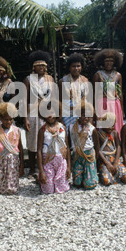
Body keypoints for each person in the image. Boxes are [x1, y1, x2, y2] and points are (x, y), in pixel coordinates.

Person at [23, 50, 55, 178]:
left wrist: (53, 114)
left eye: (44, 65)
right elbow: (24, 100)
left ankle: (46, 166)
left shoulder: (50, 79)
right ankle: (32, 169)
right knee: (32, 141)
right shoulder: (28, 80)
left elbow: (53, 98)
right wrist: (25, 118)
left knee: (47, 140)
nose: (41, 67)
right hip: (33, 113)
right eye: (39, 65)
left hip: (47, 114)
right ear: (34, 67)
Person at [0, 102, 24, 195]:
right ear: (0, 118)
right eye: (5, 119)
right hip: (0, 162)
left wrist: (22, 166)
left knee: (13, 189)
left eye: (10, 119)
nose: (8, 122)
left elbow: (20, 148)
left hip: (13, 162)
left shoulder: (16, 130)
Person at [37, 105, 71, 194]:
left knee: (61, 189)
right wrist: (41, 171)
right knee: (49, 190)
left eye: (52, 112)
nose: (50, 115)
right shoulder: (42, 130)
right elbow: (39, 151)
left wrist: (68, 167)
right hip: (48, 161)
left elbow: (67, 147)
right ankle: (41, 178)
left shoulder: (63, 128)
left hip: (61, 161)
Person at [92, 49, 124, 138]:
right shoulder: (98, 75)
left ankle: (116, 145)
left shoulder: (118, 75)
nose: (109, 63)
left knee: (115, 125)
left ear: (115, 62)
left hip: (115, 104)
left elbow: (120, 94)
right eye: (106, 61)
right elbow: (95, 94)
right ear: (102, 62)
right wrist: (95, 111)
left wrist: (122, 109)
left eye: (111, 61)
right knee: (103, 125)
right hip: (102, 104)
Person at [68, 101, 99, 190]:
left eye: (88, 115)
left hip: (89, 156)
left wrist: (95, 159)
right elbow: (70, 144)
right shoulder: (71, 127)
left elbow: (96, 146)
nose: (86, 117)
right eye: (83, 115)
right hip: (77, 155)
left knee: (90, 185)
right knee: (77, 184)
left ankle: (92, 175)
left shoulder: (92, 129)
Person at [96, 112, 126, 186]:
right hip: (104, 160)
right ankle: (104, 173)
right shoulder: (98, 134)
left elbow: (118, 147)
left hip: (115, 159)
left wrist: (115, 162)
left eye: (112, 125)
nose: (110, 127)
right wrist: (107, 163)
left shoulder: (114, 133)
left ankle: (114, 173)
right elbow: (98, 150)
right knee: (107, 181)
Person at [59, 53, 90, 129]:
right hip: (66, 113)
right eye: (73, 66)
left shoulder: (85, 80)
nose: (76, 68)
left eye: (78, 66)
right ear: (69, 67)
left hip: (80, 113)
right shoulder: (63, 81)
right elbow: (59, 101)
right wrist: (59, 118)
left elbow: (87, 100)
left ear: (81, 67)